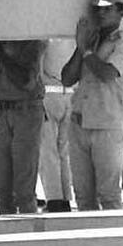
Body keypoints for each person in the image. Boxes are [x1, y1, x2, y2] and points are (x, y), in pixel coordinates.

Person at [63, 0, 123, 211]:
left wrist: (86, 51)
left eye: (107, 9)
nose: (101, 14)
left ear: (120, 11)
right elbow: (67, 78)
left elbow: (107, 73)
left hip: (107, 125)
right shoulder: (91, 41)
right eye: (98, 9)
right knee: (83, 196)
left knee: (109, 195)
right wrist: (81, 47)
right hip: (80, 123)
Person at [0, 39, 46, 214]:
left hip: (26, 109)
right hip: (0, 109)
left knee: (24, 186)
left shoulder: (32, 42)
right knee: (0, 186)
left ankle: (28, 233)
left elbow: (26, 80)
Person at [38, 37, 76, 212]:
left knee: (47, 151)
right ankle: (66, 198)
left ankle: (54, 199)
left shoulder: (45, 34)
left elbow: (38, 66)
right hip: (70, 94)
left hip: (48, 94)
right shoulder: (71, 34)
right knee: (64, 151)